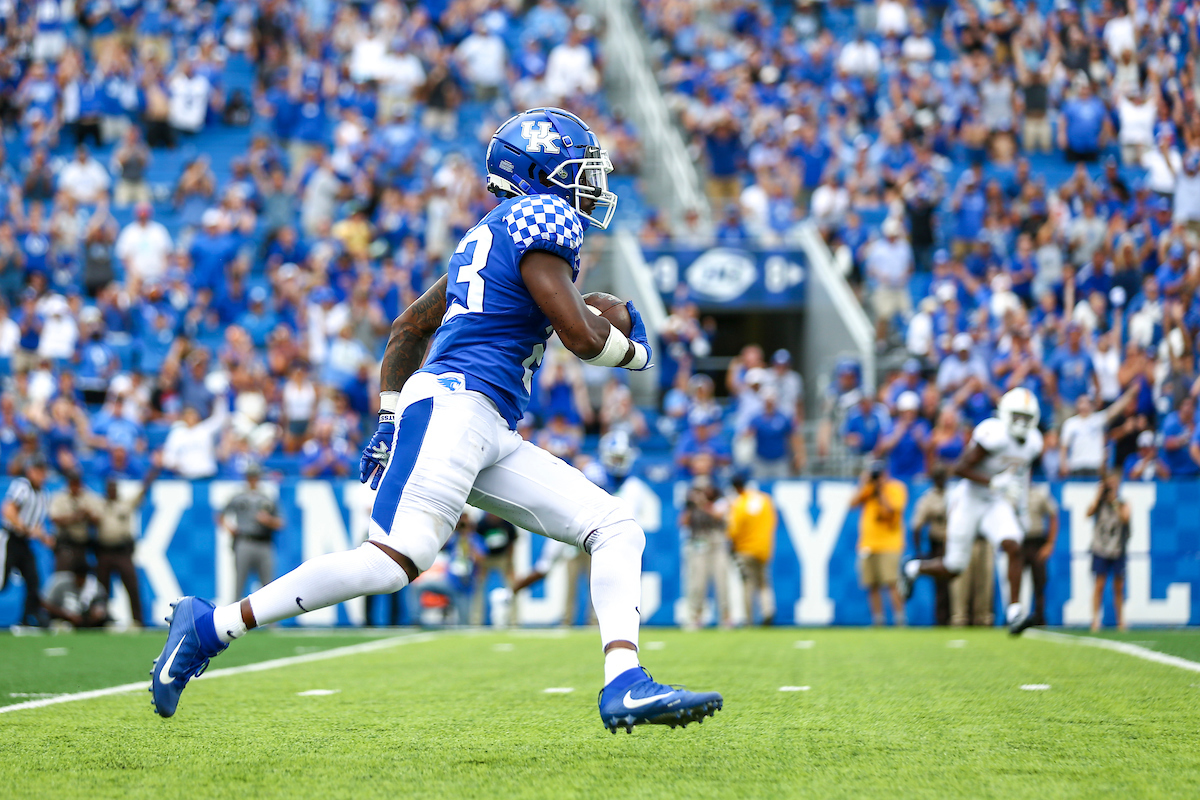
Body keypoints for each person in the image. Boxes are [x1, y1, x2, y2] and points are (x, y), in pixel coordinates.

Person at [150, 108, 722, 731]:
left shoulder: (488, 235)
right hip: (458, 404)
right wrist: (635, 350)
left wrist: (391, 416)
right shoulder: (542, 216)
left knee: (616, 528)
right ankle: (208, 627)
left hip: (481, 422)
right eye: (579, 167)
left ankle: (625, 684)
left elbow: (409, 329)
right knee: (391, 561)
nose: (590, 181)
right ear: (540, 171)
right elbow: (582, 340)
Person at [898, 388, 1043, 633]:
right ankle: (913, 568)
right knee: (954, 567)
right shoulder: (993, 434)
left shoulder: (1033, 443)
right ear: (1006, 414)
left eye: (1025, 417)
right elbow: (959, 468)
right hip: (969, 498)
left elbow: (1021, 478)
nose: (1021, 422)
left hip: (995, 501)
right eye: (1016, 416)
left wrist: (1021, 511)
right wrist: (993, 482)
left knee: (1014, 545)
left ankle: (1014, 612)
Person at [96, 471, 157, 627]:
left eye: (114, 487)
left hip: (122, 551)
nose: (112, 490)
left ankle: (137, 620)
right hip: (104, 550)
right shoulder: (99, 505)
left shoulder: (124, 504)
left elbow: (141, 493)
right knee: (102, 588)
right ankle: (101, 619)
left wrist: (151, 475)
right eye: (110, 487)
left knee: (132, 584)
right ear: (106, 490)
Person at [851, 460, 907, 626]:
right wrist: (864, 484)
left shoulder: (895, 488)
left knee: (892, 582)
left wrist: (880, 489)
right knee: (871, 584)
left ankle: (899, 619)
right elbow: (852, 503)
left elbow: (890, 510)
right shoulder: (868, 488)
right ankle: (878, 620)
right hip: (868, 544)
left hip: (889, 544)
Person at [217, 463, 284, 600]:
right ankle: (234, 619)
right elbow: (221, 515)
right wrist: (230, 528)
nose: (253, 479)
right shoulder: (239, 497)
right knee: (239, 583)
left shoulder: (266, 498)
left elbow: (280, 523)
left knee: (268, 585)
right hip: (244, 540)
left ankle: (271, 620)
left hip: (264, 542)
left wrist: (268, 520)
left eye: (255, 476)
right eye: (250, 476)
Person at [1, 454, 53, 627]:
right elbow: (8, 510)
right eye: (38, 471)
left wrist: (45, 538)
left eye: (43, 471)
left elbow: (37, 524)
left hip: (24, 542)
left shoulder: (43, 494)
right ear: (31, 471)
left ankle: (25, 621)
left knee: (33, 580)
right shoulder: (22, 486)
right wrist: (23, 527)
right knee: (2, 581)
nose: (42, 475)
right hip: (9, 538)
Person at [681, 452, 730, 630]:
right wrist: (692, 507)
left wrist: (703, 503)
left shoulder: (719, 487)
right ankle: (696, 616)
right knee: (697, 582)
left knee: (721, 580)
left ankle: (726, 617)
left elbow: (721, 513)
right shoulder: (689, 490)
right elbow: (683, 521)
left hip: (716, 539)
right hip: (698, 538)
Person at [727, 474, 776, 626]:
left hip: (745, 549)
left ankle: (749, 619)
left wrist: (733, 543)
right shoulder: (765, 500)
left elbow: (733, 530)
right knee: (764, 583)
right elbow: (773, 521)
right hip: (763, 548)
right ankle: (767, 611)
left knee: (748, 584)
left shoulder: (739, 503)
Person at [1010, 484, 1059, 633]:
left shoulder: (1039, 494)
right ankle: (1014, 617)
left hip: (1036, 541)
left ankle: (1039, 617)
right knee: (1014, 582)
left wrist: (1050, 544)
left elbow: (1053, 514)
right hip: (1018, 542)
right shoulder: (1011, 494)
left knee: (1039, 582)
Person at [1088, 470, 1130, 632]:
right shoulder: (1099, 504)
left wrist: (1114, 502)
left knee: (1118, 586)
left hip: (1118, 549)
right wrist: (1098, 496)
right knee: (1099, 585)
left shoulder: (1122, 503)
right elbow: (1088, 513)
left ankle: (1121, 621)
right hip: (1100, 548)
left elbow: (1125, 518)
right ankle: (1095, 620)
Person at [909, 463, 950, 625]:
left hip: (957, 543)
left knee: (961, 586)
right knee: (941, 587)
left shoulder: (956, 494)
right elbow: (916, 526)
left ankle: (963, 620)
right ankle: (942, 620)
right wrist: (919, 552)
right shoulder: (928, 499)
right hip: (939, 544)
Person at [48, 469, 103, 571]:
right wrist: (75, 517)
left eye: (77, 483)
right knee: (63, 574)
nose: (75, 486)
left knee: (81, 577)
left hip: (82, 545)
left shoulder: (88, 497)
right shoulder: (60, 497)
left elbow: (98, 519)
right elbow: (54, 518)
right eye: (72, 483)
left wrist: (88, 514)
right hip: (65, 543)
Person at [470, 512, 517, 626]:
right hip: (486, 558)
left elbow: (511, 544)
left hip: (503, 557)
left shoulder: (507, 524)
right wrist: (480, 564)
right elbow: (476, 543)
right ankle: (476, 622)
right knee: (478, 588)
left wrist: (510, 564)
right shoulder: (482, 524)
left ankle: (514, 621)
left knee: (512, 587)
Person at [41, 558, 109, 629]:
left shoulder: (94, 584)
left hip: (85, 618)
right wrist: (66, 614)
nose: (80, 581)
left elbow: (102, 603)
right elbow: (45, 603)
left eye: (83, 577)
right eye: (78, 577)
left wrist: (97, 612)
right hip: (63, 616)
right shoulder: (60, 582)